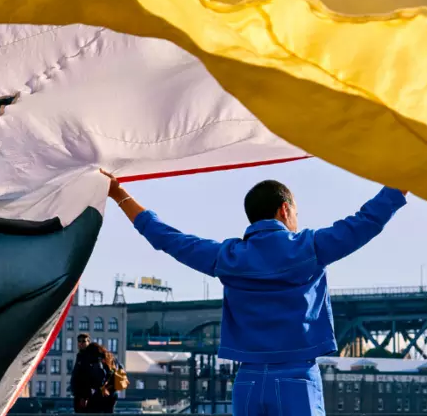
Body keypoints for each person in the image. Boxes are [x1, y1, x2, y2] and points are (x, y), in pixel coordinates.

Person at [100, 170, 407, 416]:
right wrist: (406, 179)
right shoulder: (309, 248)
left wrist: (119, 194)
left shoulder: (228, 257)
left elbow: (167, 238)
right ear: (285, 210)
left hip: (247, 383)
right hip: (296, 379)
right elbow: (367, 221)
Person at [71, 342, 116, 413]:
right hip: (109, 397)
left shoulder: (94, 361)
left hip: (98, 397)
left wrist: (84, 396)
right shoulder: (108, 359)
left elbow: (95, 380)